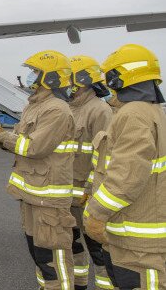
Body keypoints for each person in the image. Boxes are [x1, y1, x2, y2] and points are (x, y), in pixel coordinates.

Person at [0, 50, 76, 290]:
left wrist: (3, 136)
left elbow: (33, 147)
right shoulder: (36, 107)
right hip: (33, 193)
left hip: (49, 197)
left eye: (36, 72)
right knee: (39, 253)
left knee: (53, 255)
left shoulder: (57, 110)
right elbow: (18, 142)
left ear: (50, 78)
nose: (31, 77)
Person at [83, 44, 166, 290]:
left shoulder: (132, 114)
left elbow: (126, 177)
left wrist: (96, 213)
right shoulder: (152, 111)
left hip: (138, 241)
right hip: (144, 229)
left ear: (120, 77)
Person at [67, 55, 114, 289]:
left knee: (98, 247)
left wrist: (91, 192)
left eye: (69, 78)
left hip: (88, 195)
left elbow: (105, 158)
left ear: (83, 80)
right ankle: (79, 283)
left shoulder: (99, 111)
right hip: (67, 193)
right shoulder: (68, 108)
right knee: (72, 242)